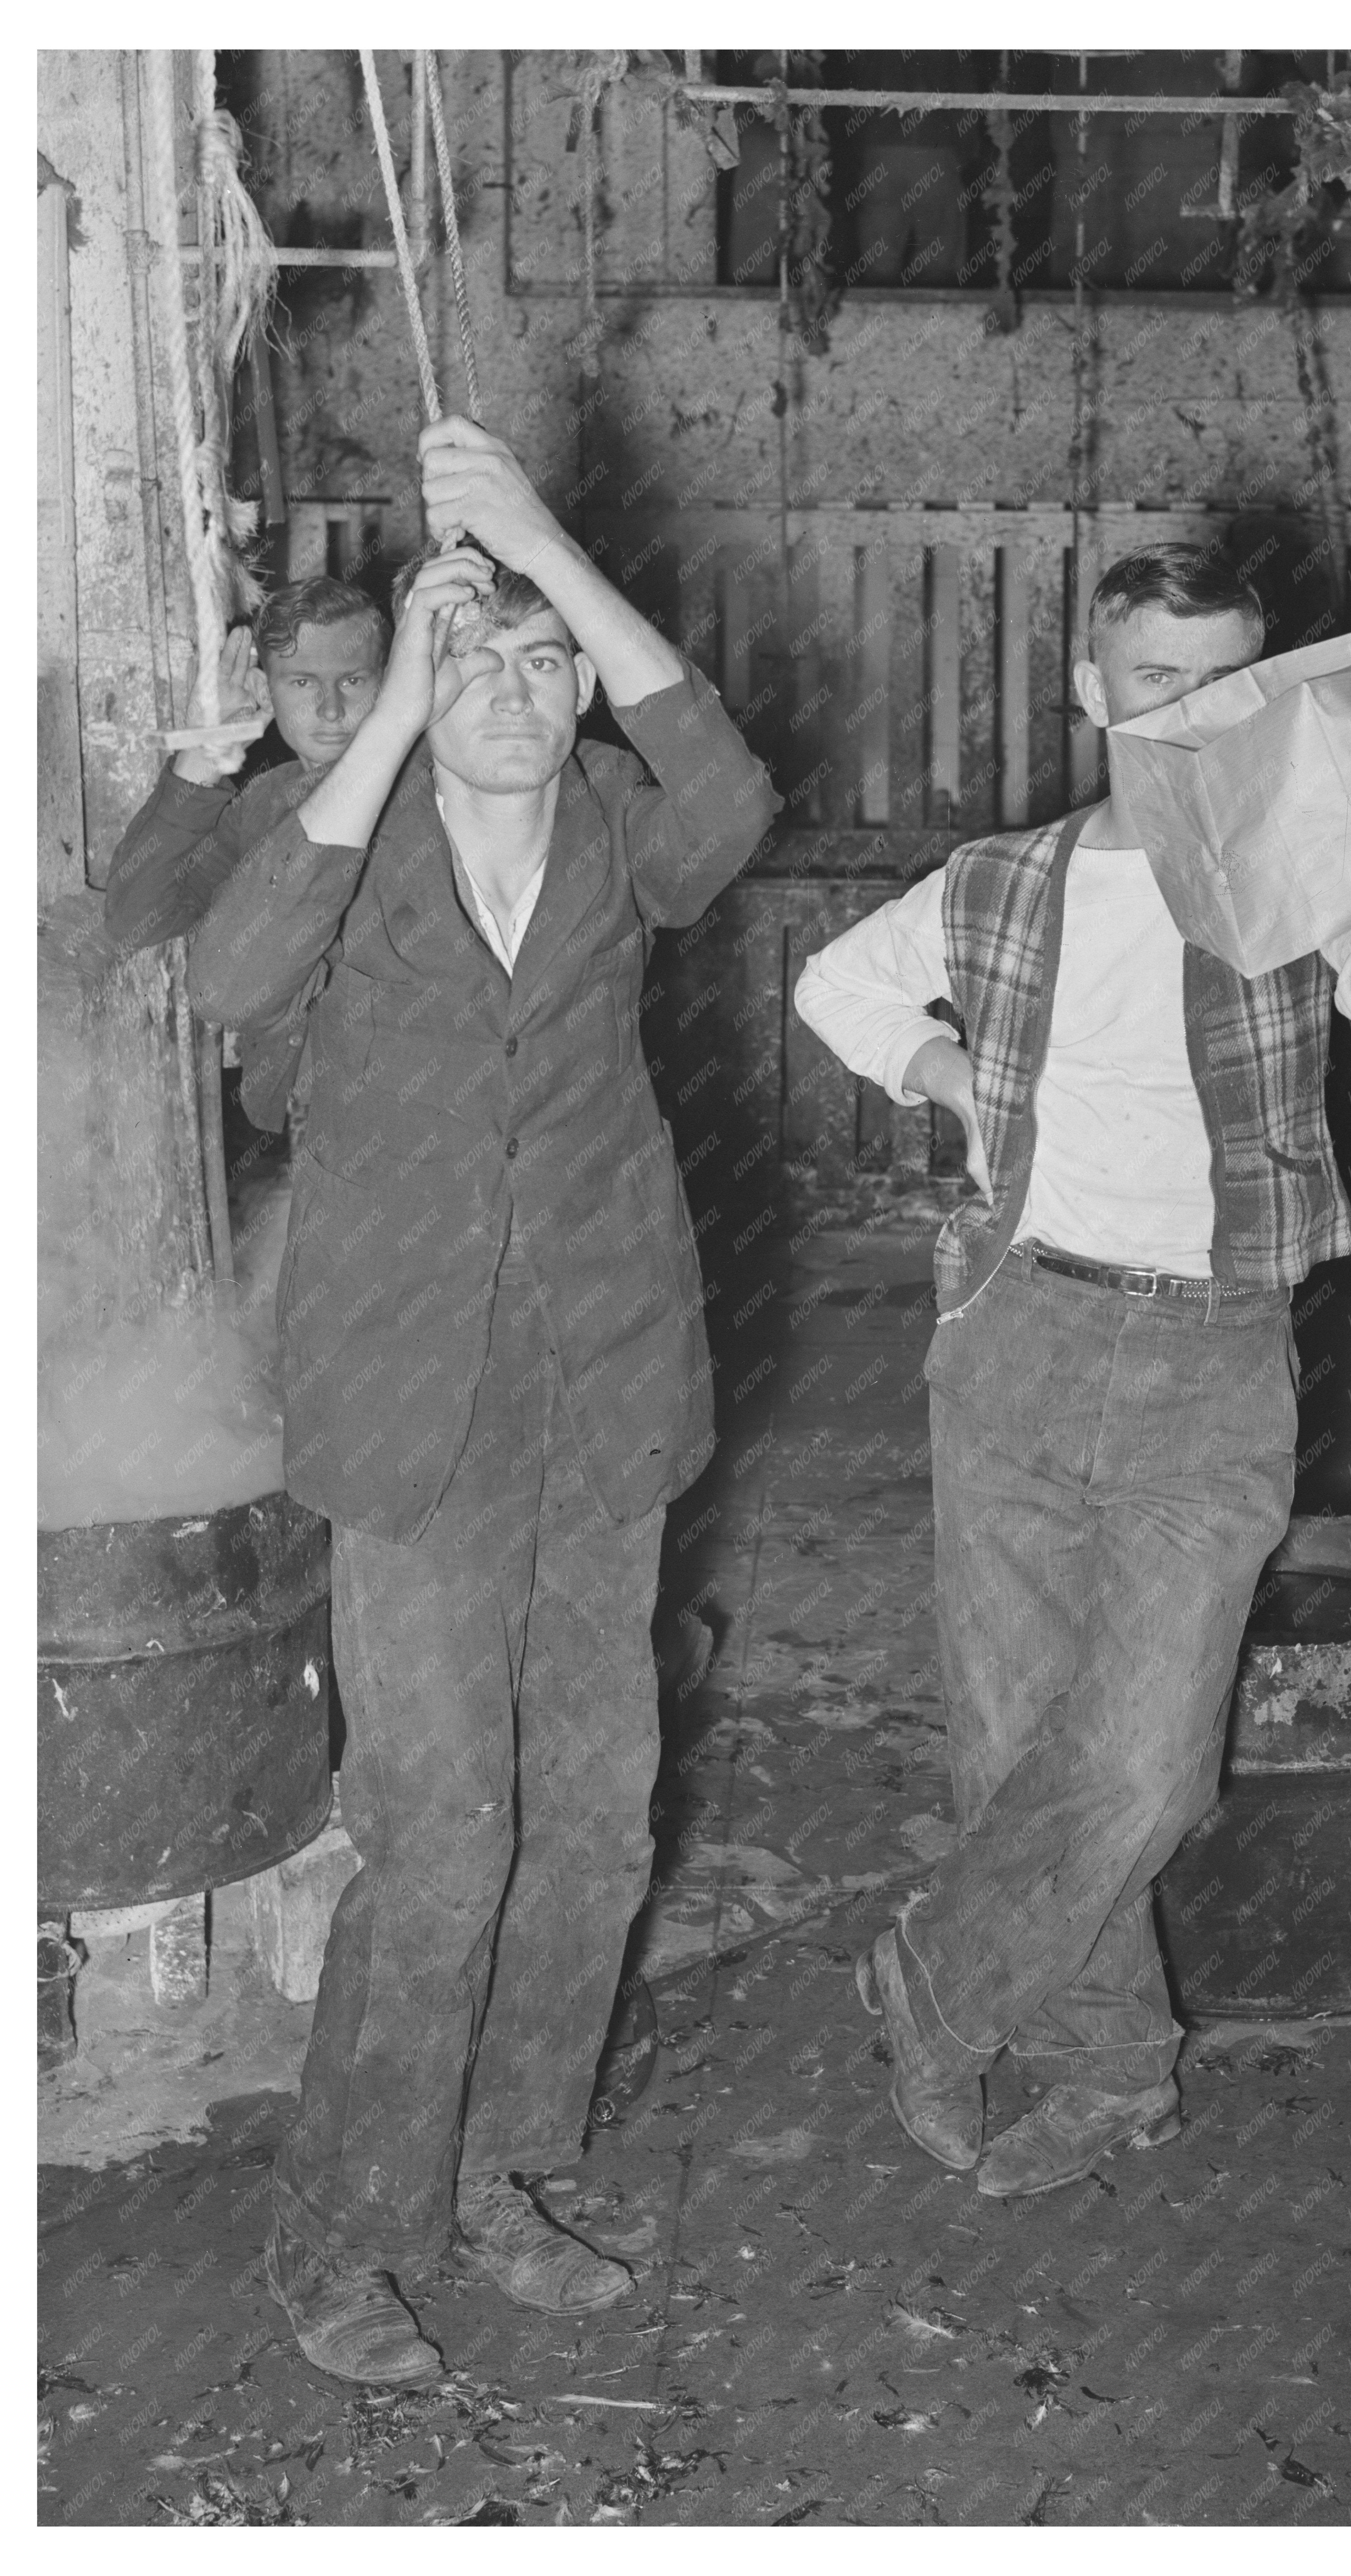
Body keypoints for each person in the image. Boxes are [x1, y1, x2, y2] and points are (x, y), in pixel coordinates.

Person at [794, 545, 1351, 2198]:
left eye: (1221, 682)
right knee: (1014, 1742)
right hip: (1012, 1335)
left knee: (1146, 1759)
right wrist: (957, 1077)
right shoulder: (1003, 877)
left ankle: (934, 1979)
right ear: (1093, 690)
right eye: (1155, 679)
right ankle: (1112, 2070)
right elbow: (832, 986)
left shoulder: (1296, 874)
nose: (1188, 711)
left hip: (1213, 1354)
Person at [188, 415, 781, 2384]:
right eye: (482, 662)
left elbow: (731, 788)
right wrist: (390, 712)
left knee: (598, 1823)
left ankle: (516, 2168)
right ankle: (344, 2229)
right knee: (442, 1839)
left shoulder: (621, 819)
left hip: (602, 1395)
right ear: (421, 691)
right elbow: (230, 967)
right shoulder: (345, 860)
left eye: (546, 662)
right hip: (409, 1415)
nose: (521, 695)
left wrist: (537, 548)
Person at [106, 578, 391, 1134]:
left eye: (354, 680)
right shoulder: (266, 802)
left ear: (389, 683)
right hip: (314, 1123)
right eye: (304, 682)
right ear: (266, 688)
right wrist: (204, 751)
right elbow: (137, 916)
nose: (331, 709)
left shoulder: (437, 784)